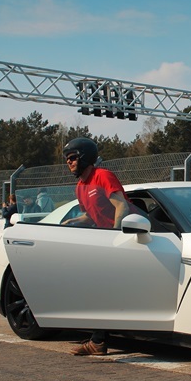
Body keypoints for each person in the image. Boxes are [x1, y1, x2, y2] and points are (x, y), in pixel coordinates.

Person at [61, 137, 140, 356]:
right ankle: (98, 339)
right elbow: (90, 215)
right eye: (67, 159)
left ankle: (98, 341)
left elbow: (121, 206)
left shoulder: (102, 176)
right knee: (98, 287)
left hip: (130, 236)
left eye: (73, 158)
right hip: (109, 242)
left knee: (104, 287)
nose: (69, 163)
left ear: (86, 157)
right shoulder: (80, 187)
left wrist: (115, 237)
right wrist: (71, 222)